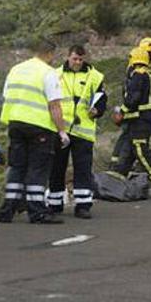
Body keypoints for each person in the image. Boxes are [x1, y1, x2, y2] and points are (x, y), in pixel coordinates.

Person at [0, 37, 68, 224]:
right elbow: (55, 106)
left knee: (17, 166)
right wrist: (62, 131)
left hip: (16, 123)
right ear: (50, 54)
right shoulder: (48, 73)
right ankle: (37, 211)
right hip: (39, 127)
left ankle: (7, 210)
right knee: (38, 168)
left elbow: (5, 95)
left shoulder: (16, 70)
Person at [48, 45, 107, 219]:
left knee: (83, 169)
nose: (78, 62)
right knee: (57, 168)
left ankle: (83, 206)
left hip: (83, 131)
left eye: (81, 59)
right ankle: (55, 204)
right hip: (60, 129)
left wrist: (97, 110)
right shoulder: (56, 74)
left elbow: (102, 98)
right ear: (68, 57)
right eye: (75, 59)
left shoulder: (95, 76)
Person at [113, 46, 151, 187]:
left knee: (139, 147)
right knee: (131, 149)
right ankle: (119, 175)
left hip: (140, 119)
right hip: (149, 119)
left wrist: (121, 112)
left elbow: (133, 97)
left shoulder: (138, 75)